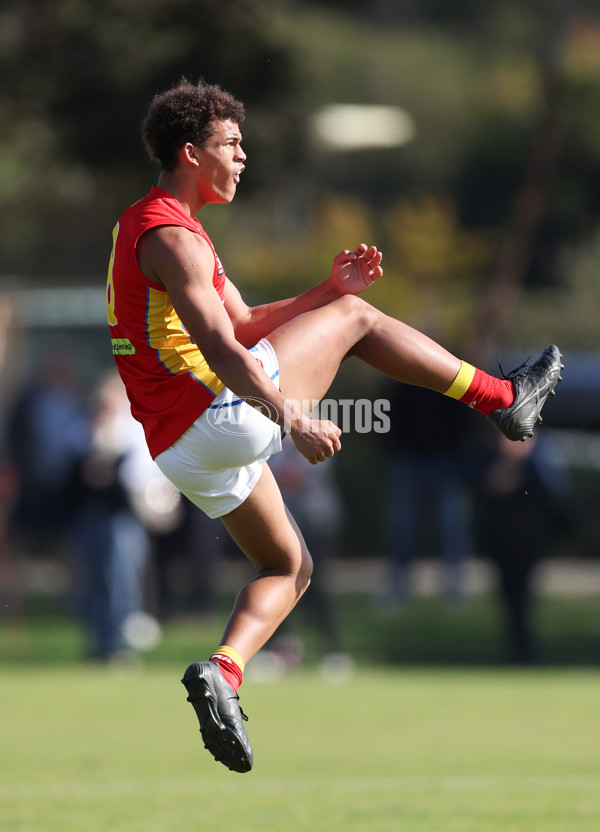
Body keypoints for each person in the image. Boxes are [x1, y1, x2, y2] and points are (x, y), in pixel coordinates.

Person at [106, 78, 563, 773]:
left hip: (179, 447)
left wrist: (327, 292)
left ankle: (222, 674)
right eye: (232, 144)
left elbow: (244, 324)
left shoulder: (155, 223)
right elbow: (226, 349)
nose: (243, 156)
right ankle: (502, 397)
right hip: (217, 414)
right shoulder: (175, 237)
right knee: (358, 325)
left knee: (289, 566)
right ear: (191, 152)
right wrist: (290, 415)